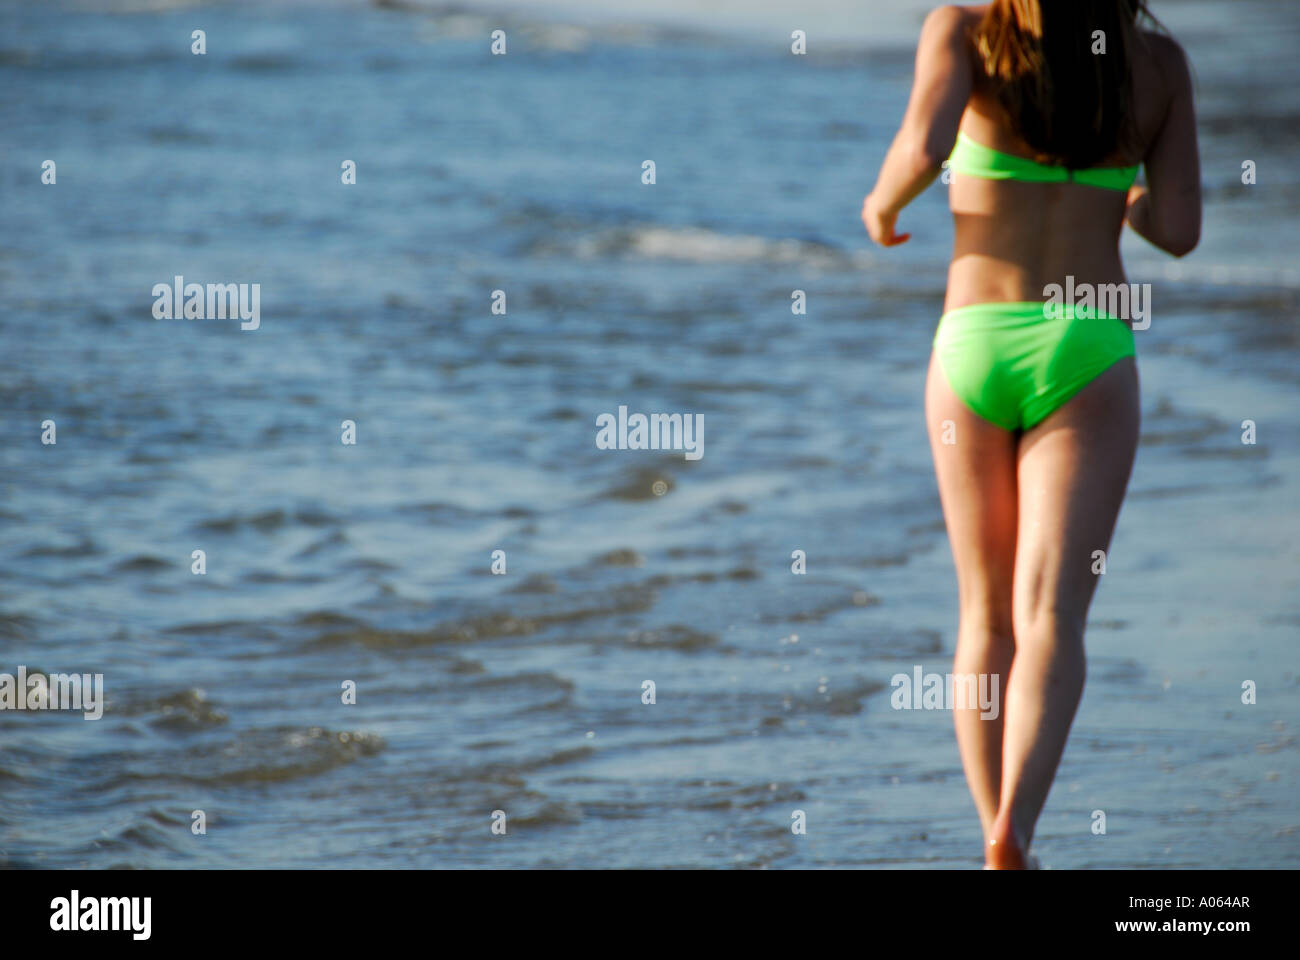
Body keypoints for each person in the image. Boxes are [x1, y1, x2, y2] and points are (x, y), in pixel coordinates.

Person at [862, 1, 1200, 868]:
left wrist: (880, 203)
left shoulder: (966, 32)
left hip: (973, 345)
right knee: (1052, 613)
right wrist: (1118, 197)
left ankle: (988, 833)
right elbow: (1180, 230)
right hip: (1087, 345)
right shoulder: (1156, 63)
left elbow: (923, 150)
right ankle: (1019, 828)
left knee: (985, 612)